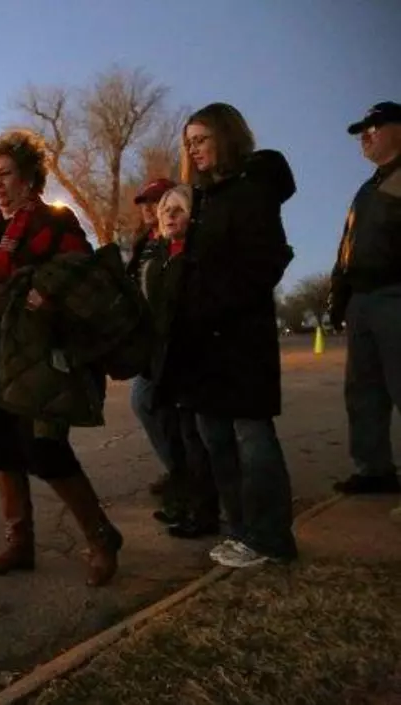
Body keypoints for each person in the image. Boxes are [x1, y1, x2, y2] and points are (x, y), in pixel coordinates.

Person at [0, 129, 123, 587]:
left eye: (5, 175)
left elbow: (85, 286)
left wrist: (51, 298)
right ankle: (19, 543)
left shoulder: (55, 224)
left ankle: (101, 537)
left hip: (44, 355)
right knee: (2, 452)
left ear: (28, 177)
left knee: (46, 450)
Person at [161, 102, 297, 569]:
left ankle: (272, 536)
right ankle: (242, 530)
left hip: (240, 338)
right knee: (214, 437)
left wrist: (219, 304)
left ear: (227, 136)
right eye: (188, 142)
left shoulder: (250, 190)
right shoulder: (206, 197)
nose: (193, 150)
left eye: (201, 139)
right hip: (202, 343)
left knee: (251, 437)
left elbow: (269, 259)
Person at [328, 101, 401, 497]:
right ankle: (374, 470)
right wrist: (338, 297)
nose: (365, 136)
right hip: (362, 299)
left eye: (373, 127)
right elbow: (347, 246)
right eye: (361, 131)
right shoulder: (367, 188)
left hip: (395, 296)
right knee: (363, 390)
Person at [138, 185, 219, 539]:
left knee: (198, 439)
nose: (169, 214)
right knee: (182, 435)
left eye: (179, 209)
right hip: (166, 362)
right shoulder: (160, 256)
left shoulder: (197, 256)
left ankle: (206, 512)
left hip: (194, 363)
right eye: (165, 209)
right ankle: (187, 503)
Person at [125, 177, 176, 497]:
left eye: (154, 201)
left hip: (172, 340)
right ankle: (178, 469)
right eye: (143, 201)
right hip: (149, 340)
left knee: (167, 408)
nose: (147, 207)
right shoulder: (143, 242)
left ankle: (191, 476)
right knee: (144, 402)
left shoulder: (174, 239)